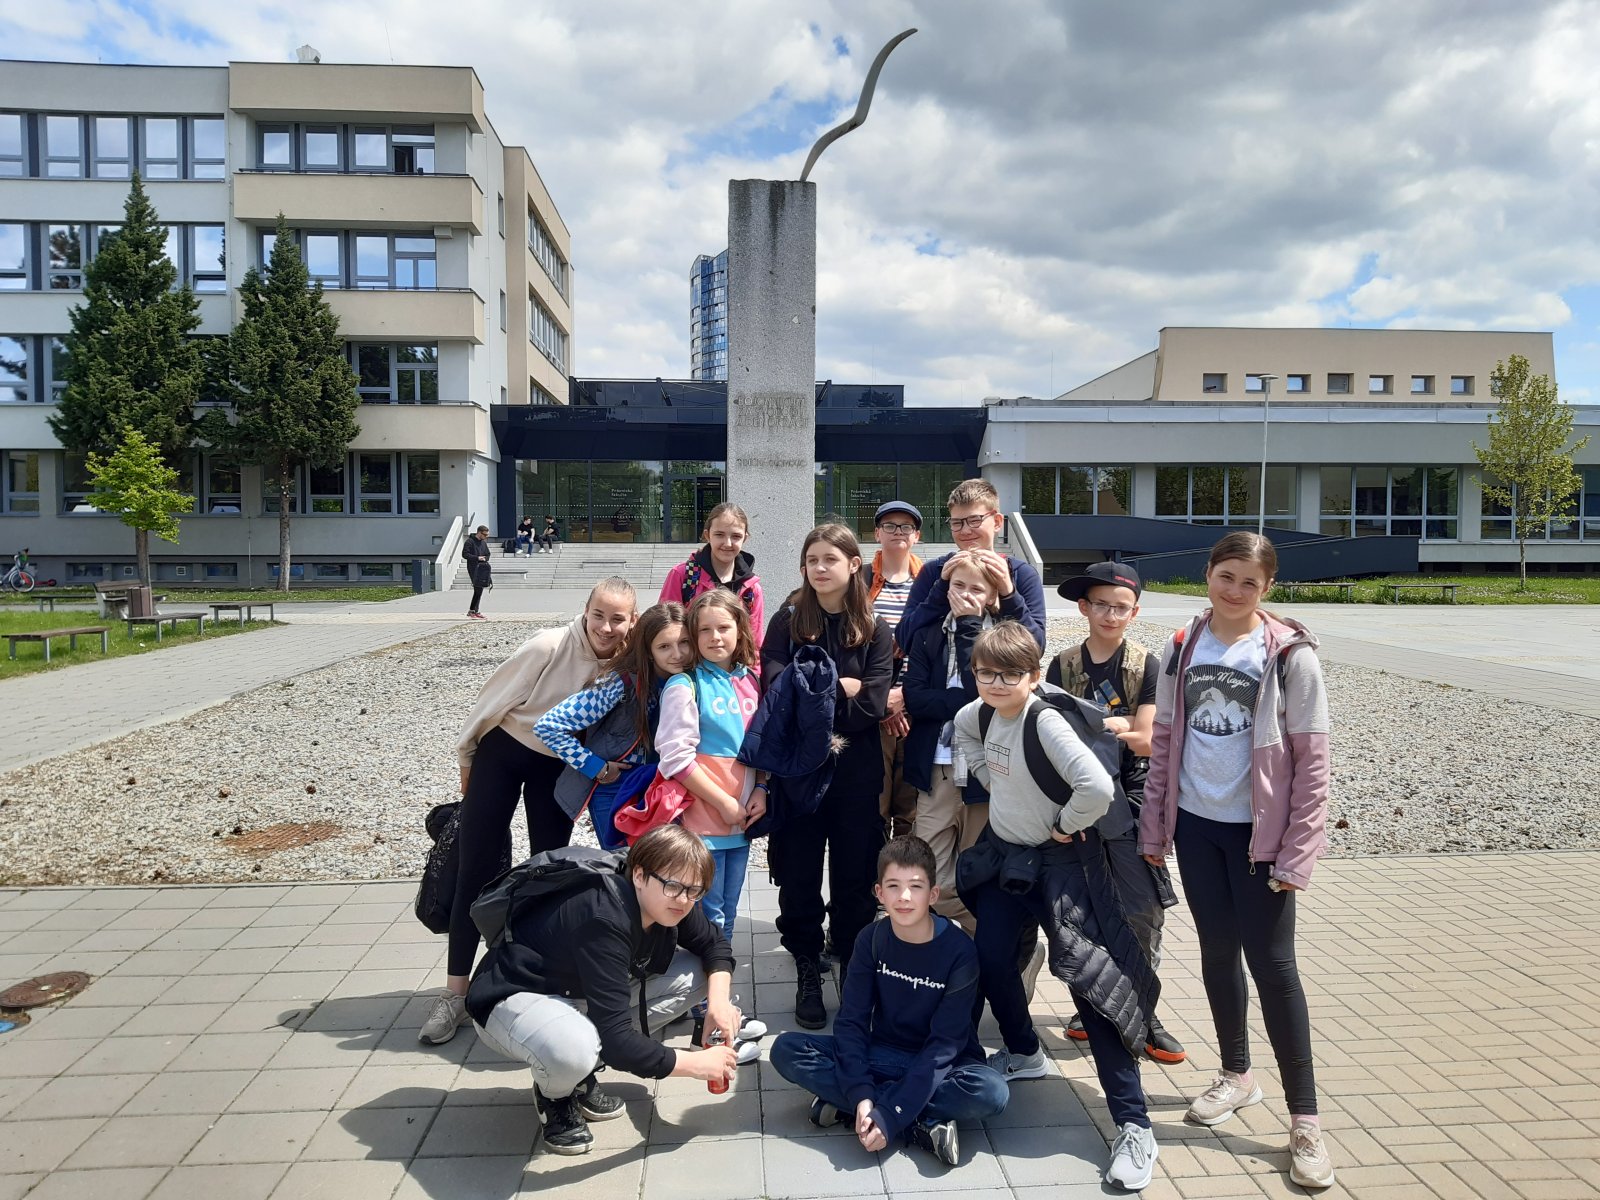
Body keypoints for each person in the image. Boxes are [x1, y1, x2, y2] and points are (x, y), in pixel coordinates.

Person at [1139, 531, 1336, 1190]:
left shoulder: (1289, 656)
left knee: (1275, 970)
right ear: (1208, 575)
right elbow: (1165, 739)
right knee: (1218, 953)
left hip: (1260, 838)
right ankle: (1236, 1074)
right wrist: (1155, 826)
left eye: (1250, 582)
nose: (1235, 590)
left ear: (1267, 588)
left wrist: (1297, 854)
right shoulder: (1183, 645)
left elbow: (1313, 765)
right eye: (1226, 576)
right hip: (1198, 828)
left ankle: (1305, 1121)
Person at [953, 622, 1161, 1192]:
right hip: (1006, 858)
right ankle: (1024, 1051)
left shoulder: (1044, 721)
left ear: (1033, 676)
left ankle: (1134, 1124)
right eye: (985, 673)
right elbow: (963, 735)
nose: (996, 684)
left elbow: (1096, 786)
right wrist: (995, 784)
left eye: (1010, 675)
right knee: (991, 959)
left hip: (1061, 862)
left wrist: (1064, 825)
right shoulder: (978, 714)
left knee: (1091, 984)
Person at [419, 578, 638, 1045]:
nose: (606, 627)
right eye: (598, 615)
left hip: (556, 768)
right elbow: (488, 705)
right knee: (475, 870)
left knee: (549, 875)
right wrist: (467, 768)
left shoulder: (628, 659)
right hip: (504, 752)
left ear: (632, 620)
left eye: (617, 619)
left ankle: (533, 981)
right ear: (585, 611)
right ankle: (454, 993)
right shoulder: (548, 645)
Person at [466, 826, 743, 1156]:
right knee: (573, 1050)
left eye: (694, 890)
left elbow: (714, 945)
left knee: (699, 974)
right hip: (512, 998)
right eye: (673, 886)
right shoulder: (603, 917)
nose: (683, 900)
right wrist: (695, 1064)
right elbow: (617, 1043)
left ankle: (580, 1069)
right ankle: (555, 1094)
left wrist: (718, 1004)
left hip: (574, 989)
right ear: (639, 875)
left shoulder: (666, 898)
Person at [770, 835, 1008, 1168]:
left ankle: (856, 1109)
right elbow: (851, 1021)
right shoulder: (871, 939)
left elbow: (945, 1044)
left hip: (943, 1064)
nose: (904, 897)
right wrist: (861, 1094)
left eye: (916, 886)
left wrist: (889, 1112)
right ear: (879, 893)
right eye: (894, 886)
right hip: (882, 1052)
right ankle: (919, 1123)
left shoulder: (960, 952)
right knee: (786, 1049)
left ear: (933, 894)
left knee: (992, 1093)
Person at [1048, 561, 1186, 1064]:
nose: (1110, 615)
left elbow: (1147, 740)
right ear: (1084, 608)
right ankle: (1091, 1007)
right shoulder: (1062, 665)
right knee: (1080, 912)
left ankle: (1145, 1013)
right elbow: (1048, 730)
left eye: (1121, 607)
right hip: (1075, 799)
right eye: (1101, 605)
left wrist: (1093, 725)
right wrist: (1119, 722)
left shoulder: (1147, 665)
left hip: (1132, 799)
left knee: (1141, 910)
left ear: (1135, 612)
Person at [763, 523, 894, 1028]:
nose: (819, 568)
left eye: (830, 559)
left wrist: (813, 691)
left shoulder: (875, 628)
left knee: (855, 871)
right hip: (799, 768)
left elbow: (874, 703)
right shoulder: (788, 620)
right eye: (812, 560)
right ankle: (805, 961)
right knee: (798, 869)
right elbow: (776, 689)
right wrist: (841, 686)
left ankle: (852, 961)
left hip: (856, 771)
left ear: (854, 564)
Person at [655, 589, 766, 941]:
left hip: (741, 823)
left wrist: (762, 788)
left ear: (740, 630)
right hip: (701, 824)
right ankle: (711, 975)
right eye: (704, 629)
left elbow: (763, 747)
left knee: (729, 909)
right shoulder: (684, 685)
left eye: (723, 627)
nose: (715, 637)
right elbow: (675, 757)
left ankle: (719, 969)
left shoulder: (750, 680)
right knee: (709, 910)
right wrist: (723, 803)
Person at [533, 602, 690, 845]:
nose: (677, 654)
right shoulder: (620, 683)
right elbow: (549, 726)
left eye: (684, 642)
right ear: (648, 651)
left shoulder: (691, 681)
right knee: (621, 863)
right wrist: (598, 768)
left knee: (661, 862)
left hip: (662, 785)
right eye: (664, 646)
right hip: (616, 788)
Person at [901, 550, 997, 932]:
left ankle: (987, 954)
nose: (965, 595)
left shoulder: (999, 636)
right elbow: (914, 698)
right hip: (937, 766)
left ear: (992, 595)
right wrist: (963, 701)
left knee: (977, 870)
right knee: (930, 872)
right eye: (958, 586)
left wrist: (971, 626)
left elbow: (988, 696)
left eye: (976, 589)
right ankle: (975, 944)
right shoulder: (929, 635)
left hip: (983, 772)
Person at [896, 478, 1047, 653]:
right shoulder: (934, 572)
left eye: (975, 520)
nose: (965, 530)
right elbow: (904, 639)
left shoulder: (1021, 574)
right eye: (957, 523)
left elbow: (1036, 648)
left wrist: (1009, 594)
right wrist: (940, 591)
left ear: (997, 522)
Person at [867, 500, 924, 840]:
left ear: (916, 536)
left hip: (916, 706)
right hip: (873, 709)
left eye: (906, 526)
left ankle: (905, 870)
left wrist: (904, 697)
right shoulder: (861, 582)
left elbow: (935, 649)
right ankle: (874, 871)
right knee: (873, 804)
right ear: (877, 533)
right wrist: (883, 702)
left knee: (911, 809)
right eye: (890, 526)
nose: (898, 532)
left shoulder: (930, 584)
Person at [659, 501, 766, 649]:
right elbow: (663, 631)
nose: (727, 543)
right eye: (719, 535)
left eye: (736, 536)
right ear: (707, 535)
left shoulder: (752, 590)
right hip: (688, 662)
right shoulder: (683, 576)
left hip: (734, 664)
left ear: (745, 538)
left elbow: (754, 645)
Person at [464, 525, 492, 619]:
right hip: (473, 567)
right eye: (485, 535)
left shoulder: (483, 543)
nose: (486, 537)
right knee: (477, 588)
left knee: (480, 589)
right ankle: (473, 611)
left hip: (482, 568)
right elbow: (465, 554)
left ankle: (475, 610)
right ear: (479, 533)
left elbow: (488, 554)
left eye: (487, 535)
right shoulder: (470, 541)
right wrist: (477, 558)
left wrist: (485, 558)